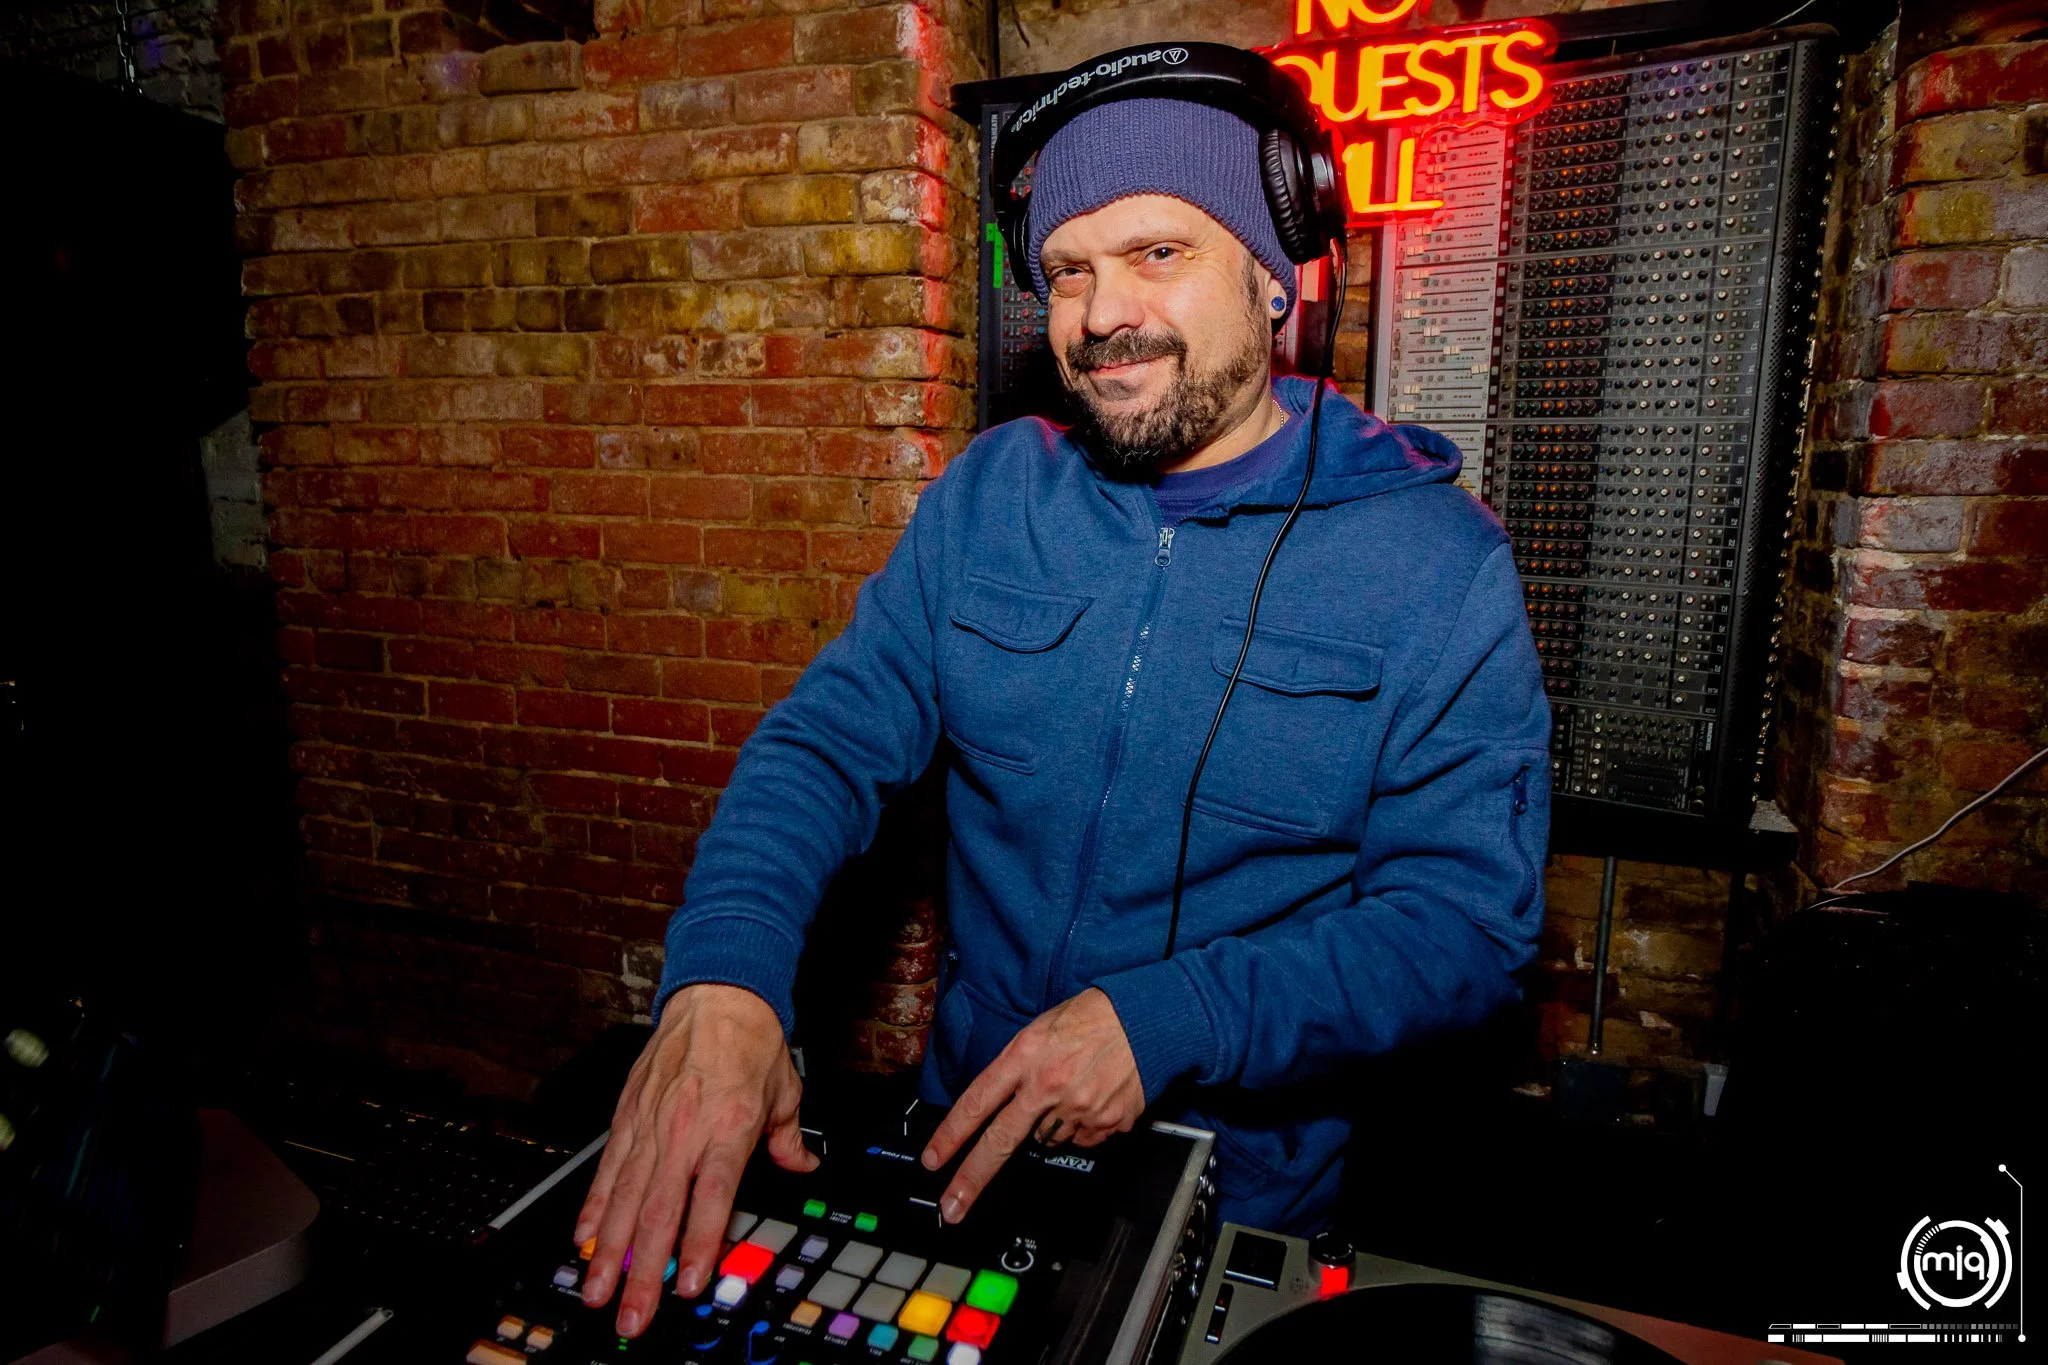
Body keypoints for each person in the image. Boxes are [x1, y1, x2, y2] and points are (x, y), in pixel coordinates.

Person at [575, 75, 1551, 1340]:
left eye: (1157, 253)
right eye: (1068, 270)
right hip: (962, 1143)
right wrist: (726, 979)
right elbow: (823, 745)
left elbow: (1464, 929)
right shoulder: (991, 497)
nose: (1102, 315)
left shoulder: (1429, 559)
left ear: (1276, 275)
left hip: (1236, 1195)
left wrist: (1168, 1019)